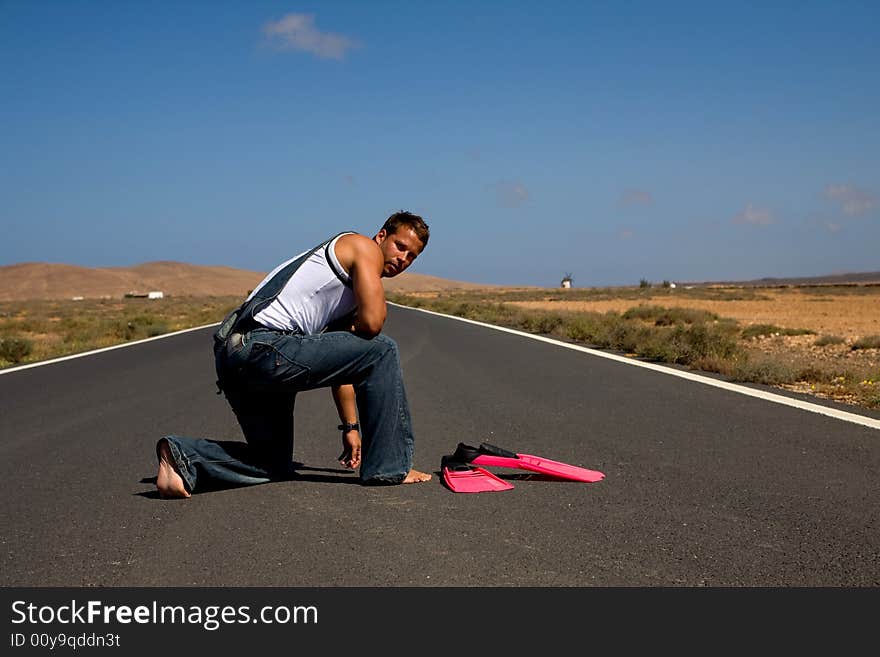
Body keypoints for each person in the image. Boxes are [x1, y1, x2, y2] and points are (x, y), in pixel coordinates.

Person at [155, 211, 432, 498]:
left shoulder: (348, 294)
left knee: (272, 465)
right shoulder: (364, 247)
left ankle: (181, 456)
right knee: (383, 350)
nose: (403, 259)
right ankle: (390, 467)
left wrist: (350, 427)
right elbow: (373, 324)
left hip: (237, 357)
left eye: (412, 257)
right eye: (401, 247)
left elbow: (348, 362)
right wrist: (362, 323)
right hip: (265, 345)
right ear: (382, 236)